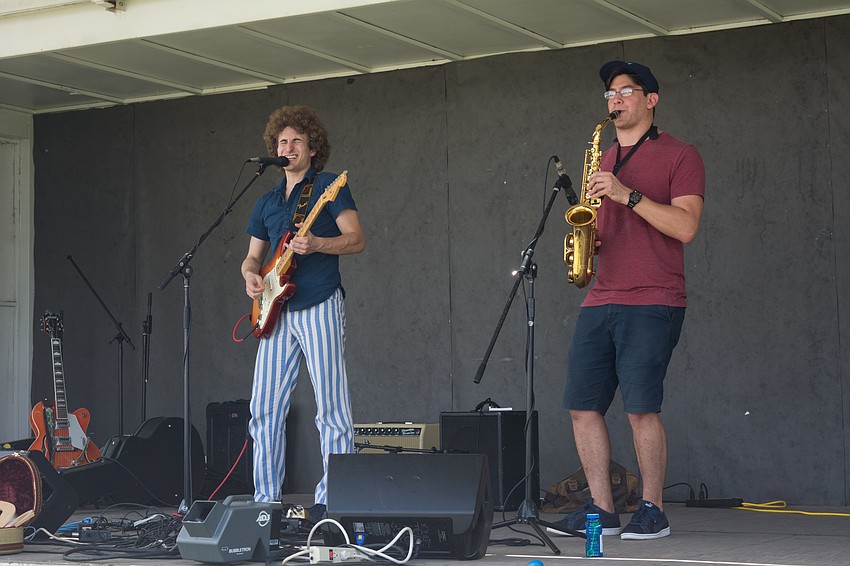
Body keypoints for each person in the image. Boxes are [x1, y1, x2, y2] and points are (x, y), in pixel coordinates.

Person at [548, 61, 705, 540]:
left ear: (651, 99)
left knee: (641, 409)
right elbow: (604, 221)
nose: (615, 101)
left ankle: (653, 510)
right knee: (581, 406)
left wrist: (626, 194)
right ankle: (602, 510)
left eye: (626, 91)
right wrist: (588, 241)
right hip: (602, 295)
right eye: (610, 94)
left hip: (654, 297)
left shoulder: (681, 154)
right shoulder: (604, 157)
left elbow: (685, 227)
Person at [241, 105, 365, 521]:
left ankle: (333, 501)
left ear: (312, 148)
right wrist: (251, 279)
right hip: (276, 310)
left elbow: (356, 240)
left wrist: (318, 245)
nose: (288, 147)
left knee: (331, 408)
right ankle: (266, 503)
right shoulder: (266, 201)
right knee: (264, 409)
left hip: (319, 301)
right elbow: (252, 259)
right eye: (282, 142)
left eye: (296, 141)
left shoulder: (330, 186)